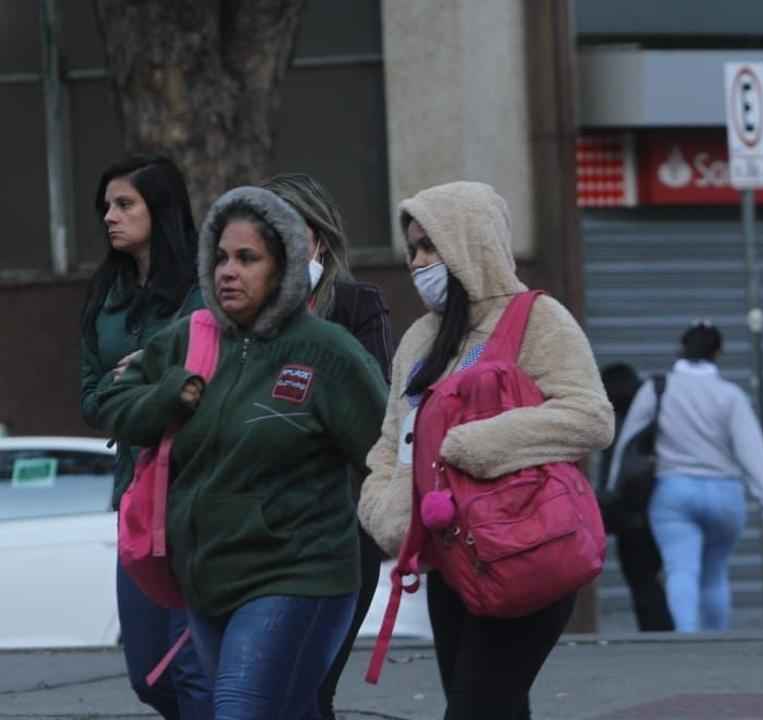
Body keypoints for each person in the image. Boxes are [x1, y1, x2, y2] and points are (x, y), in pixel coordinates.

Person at [98, 186, 388, 719]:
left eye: (247, 259)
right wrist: (169, 394)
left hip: (299, 576)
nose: (228, 271)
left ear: (284, 266)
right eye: (221, 258)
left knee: (238, 709)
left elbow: (384, 453)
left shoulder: (327, 350)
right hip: (208, 582)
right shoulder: (192, 339)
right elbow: (111, 401)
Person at [358, 180, 614, 719]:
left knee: (476, 709)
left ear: (469, 240)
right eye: (411, 249)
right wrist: (385, 510)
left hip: (526, 550)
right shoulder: (419, 341)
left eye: (430, 245)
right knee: (492, 706)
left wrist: (476, 444)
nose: (417, 262)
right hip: (451, 562)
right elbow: (391, 442)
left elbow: (590, 417)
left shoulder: (538, 319)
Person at [261, 172, 397, 720]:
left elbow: (372, 406)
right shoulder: (235, 314)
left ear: (319, 239)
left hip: (339, 526)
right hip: (258, 527)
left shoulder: (357, 305)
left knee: (310, 686)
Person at [79, 155, 211, 719]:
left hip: (197, 491)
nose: (110, 216)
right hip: (135, 493)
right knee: (148, 674)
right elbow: (91, 397)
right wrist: (146, 388)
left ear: (160, 209)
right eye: (106, 206)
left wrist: (146, 382)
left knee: (192, 668)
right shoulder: (105, 292)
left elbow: (205, 384)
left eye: (124, 204)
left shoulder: (205, 288)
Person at [606, 322, 763, 632]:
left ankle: (685, 641)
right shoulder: (730, 396)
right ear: (718, 352)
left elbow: (628, 438)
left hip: (674, 492)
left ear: (681, 347)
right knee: (715, 573)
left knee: (680, 570)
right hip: (726, 494)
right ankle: (717, 639)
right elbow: (751, 449)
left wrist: (613, 485)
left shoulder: (658, 388)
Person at [599, 362, 673, 632]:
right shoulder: (652, 415)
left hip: (637, 518)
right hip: (643, 515)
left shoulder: (630, 421)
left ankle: (659, 632)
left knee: (643, 581)